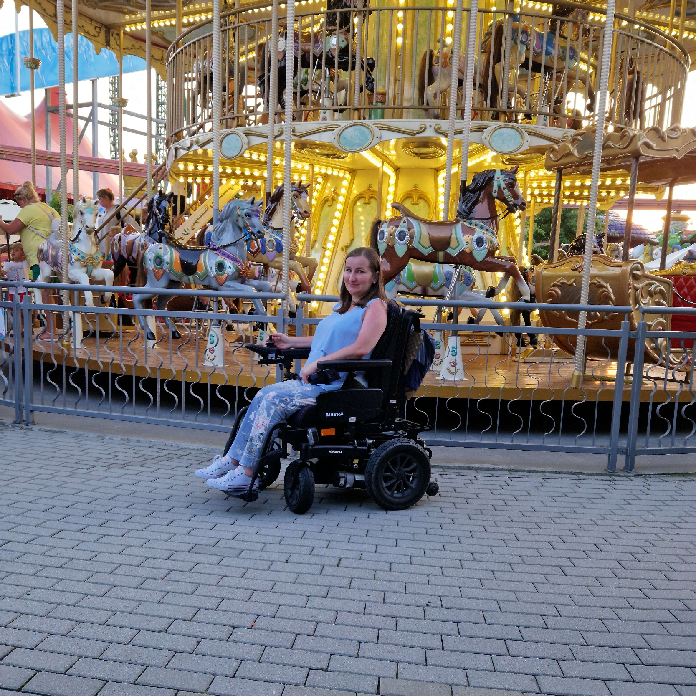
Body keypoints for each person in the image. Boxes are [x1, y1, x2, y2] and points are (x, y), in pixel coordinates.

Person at [195, 246, 389, 494]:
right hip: (320, 382)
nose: (352, 277)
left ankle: (246, 472)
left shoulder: (375, 307)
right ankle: (232, 461)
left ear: (374, 276)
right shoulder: (345, 305)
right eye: (348, 270)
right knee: (262, 395)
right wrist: (291, 342)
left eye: (360, 271)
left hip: (340, 387)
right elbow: (325, 341)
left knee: (272, 400)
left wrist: (318, 363)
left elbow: (362, 348)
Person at [0, 182, 58, 339]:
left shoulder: (29, 210)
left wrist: (0, 222)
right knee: (48, 291)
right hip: (52, 256)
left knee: (43, 291)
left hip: (38, 258)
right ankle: (54, 327)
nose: (19, 207)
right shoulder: (48, 209)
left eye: (19, 203)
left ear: (24, 199)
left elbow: (11, 229)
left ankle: (51, 330)